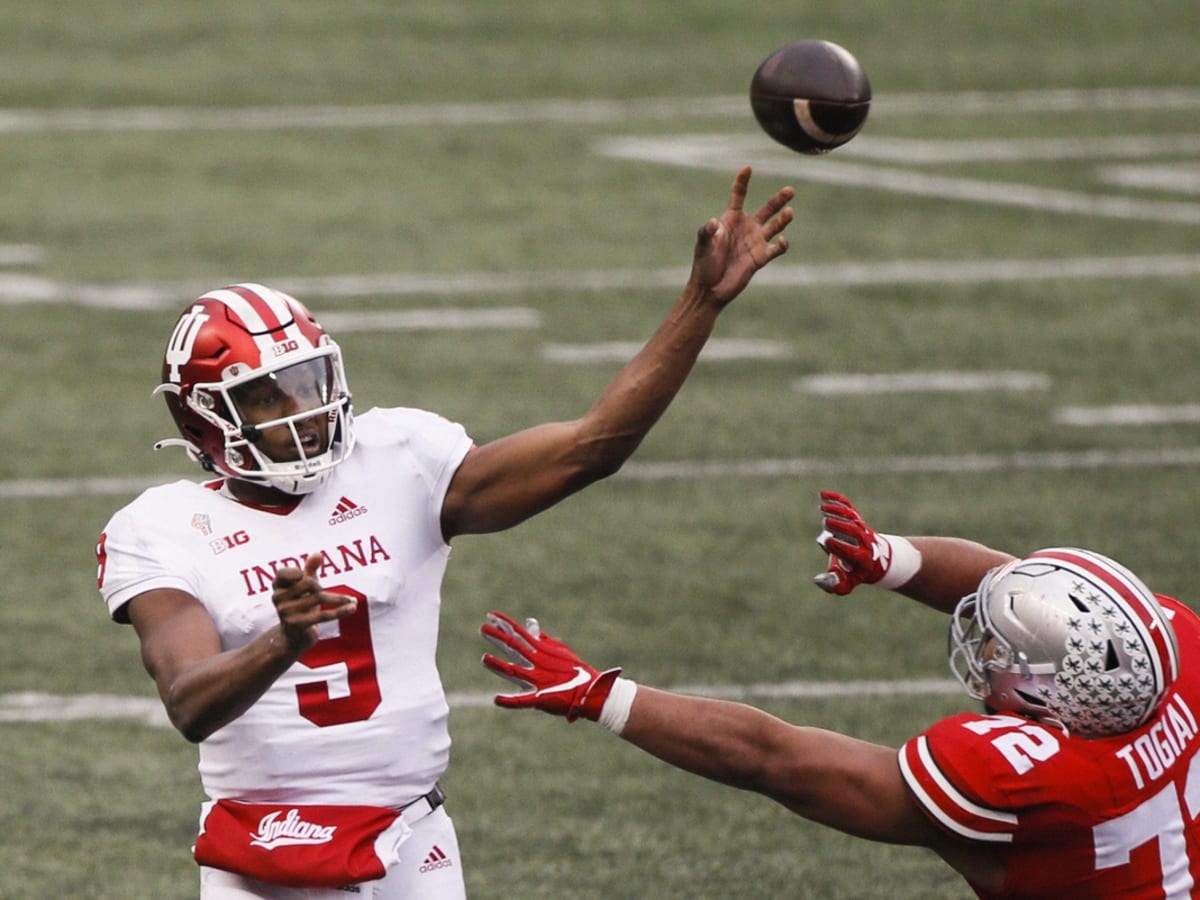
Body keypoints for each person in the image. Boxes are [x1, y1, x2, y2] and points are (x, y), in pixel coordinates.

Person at [93, 166, 795, 899]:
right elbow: (189, 702)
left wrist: (700, 303)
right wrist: (283, 640)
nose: (304, 410)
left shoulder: (398, 458)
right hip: (263, 852)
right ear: (201, 418)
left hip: (408, 838)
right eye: (269, 400)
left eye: (308, 384)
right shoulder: (164, 527)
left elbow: (592, 449)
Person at [480, 489, 1200, 898]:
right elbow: (1013, 585)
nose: (987, 652)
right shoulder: (1170, 666)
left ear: (1048, 699)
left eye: (1003, 656)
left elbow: (777, 760)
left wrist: (603, 696)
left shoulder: (1027, 784)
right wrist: (894, 562)